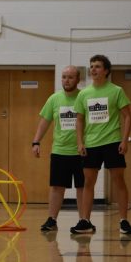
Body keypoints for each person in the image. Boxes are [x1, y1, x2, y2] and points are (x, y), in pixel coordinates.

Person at [70, 54, 131, 235]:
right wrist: (80, 142)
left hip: (113, 143)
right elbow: (80, 120)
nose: (93, 69)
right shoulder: (84, 94)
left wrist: (124, 140)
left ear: (106, 71)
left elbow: (128, 116)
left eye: (97, 66)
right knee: (88, 182)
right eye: (91, 66)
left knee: (118, 181)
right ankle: (85, 221)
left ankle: (124, 221)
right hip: (91, 145)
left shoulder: (116, 91)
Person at [32, 65, 84, 232]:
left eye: (70, 77)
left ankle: (84, 220)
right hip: (60, 150)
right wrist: (36, 141)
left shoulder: (83, 97)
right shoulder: (54, 99)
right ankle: (52, 219)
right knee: (57, 186)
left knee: (82, 187)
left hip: (81, 151)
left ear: (78, 79)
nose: (66, 80)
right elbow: (45, 122)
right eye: (64, 77)